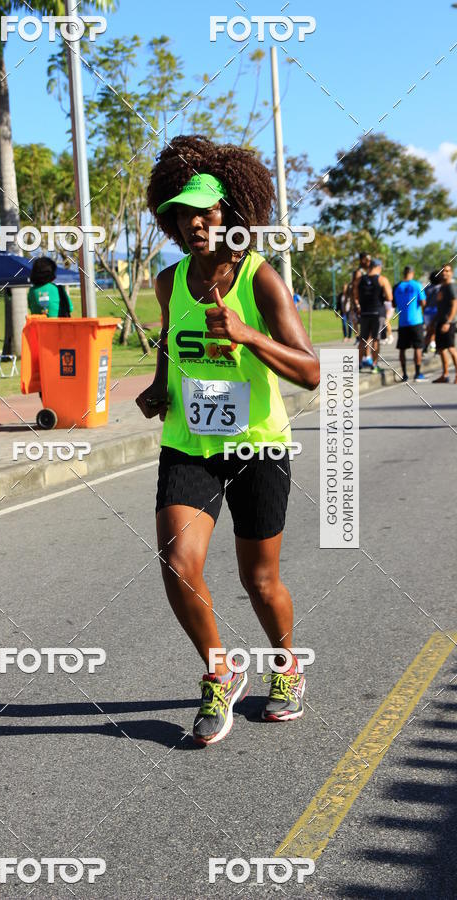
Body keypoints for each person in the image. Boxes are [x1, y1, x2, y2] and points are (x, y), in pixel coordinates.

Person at [137, 136, 320, 746]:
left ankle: (286, 664)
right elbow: (171, 341)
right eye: (185, 212)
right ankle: (220, 672)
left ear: (232, 214)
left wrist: (247, 335)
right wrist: (160, 388)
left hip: (257, 446)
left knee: (259, 580)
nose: (197, 222)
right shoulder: (168, 282)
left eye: (209, 211)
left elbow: (309, 369)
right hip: (189, 442)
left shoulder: (259, 277)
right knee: (176, 561)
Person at [355, 258, 392, 373]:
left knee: (363, 340)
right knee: (376, 340)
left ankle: (359, 364)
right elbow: (389, 297)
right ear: (378, 267)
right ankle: (374, 366)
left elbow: (355, 295)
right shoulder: (382, 279)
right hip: (378, 313)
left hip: (365, 312)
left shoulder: (360, 280)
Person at [393, 266, 427, 382]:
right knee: (417, 347)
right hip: (416, 321)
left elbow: (393, 304)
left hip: (402, 322)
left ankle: (405, 375)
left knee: (402, 349)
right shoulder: (417, 285)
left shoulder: (397, 286)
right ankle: (417, 373)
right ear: (412, 273)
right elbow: (423, 302)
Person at [432, 263, 457, 383]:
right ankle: (445, 374)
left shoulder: (451, 287)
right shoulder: (442, 287)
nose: (444, 273)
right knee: (441, 349)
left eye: (447, 271)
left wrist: (448, 322)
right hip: (440, 321)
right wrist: (434, 321)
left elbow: (454, 305)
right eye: (443, 271)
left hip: (448, 322)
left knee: (451, 348)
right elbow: (440, 307)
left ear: (451, 273)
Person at [350, 251, 371, 346]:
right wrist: (356, 303)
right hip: (360, 304)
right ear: (362, 260)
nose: (369, 261)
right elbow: (354, 289)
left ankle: (365, 351)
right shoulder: (359, 272)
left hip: (368, 303)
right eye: (367, 259)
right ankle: (359, 339)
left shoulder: (369, 271)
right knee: (362, 327)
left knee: (368, 330)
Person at [423, 270, 440, 354]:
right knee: (437, 331)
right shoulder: (440, 288)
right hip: (436, 311)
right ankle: (437, 349)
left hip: (427, 311)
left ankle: (425, 347)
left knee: (429, 331)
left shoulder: (427, 288)